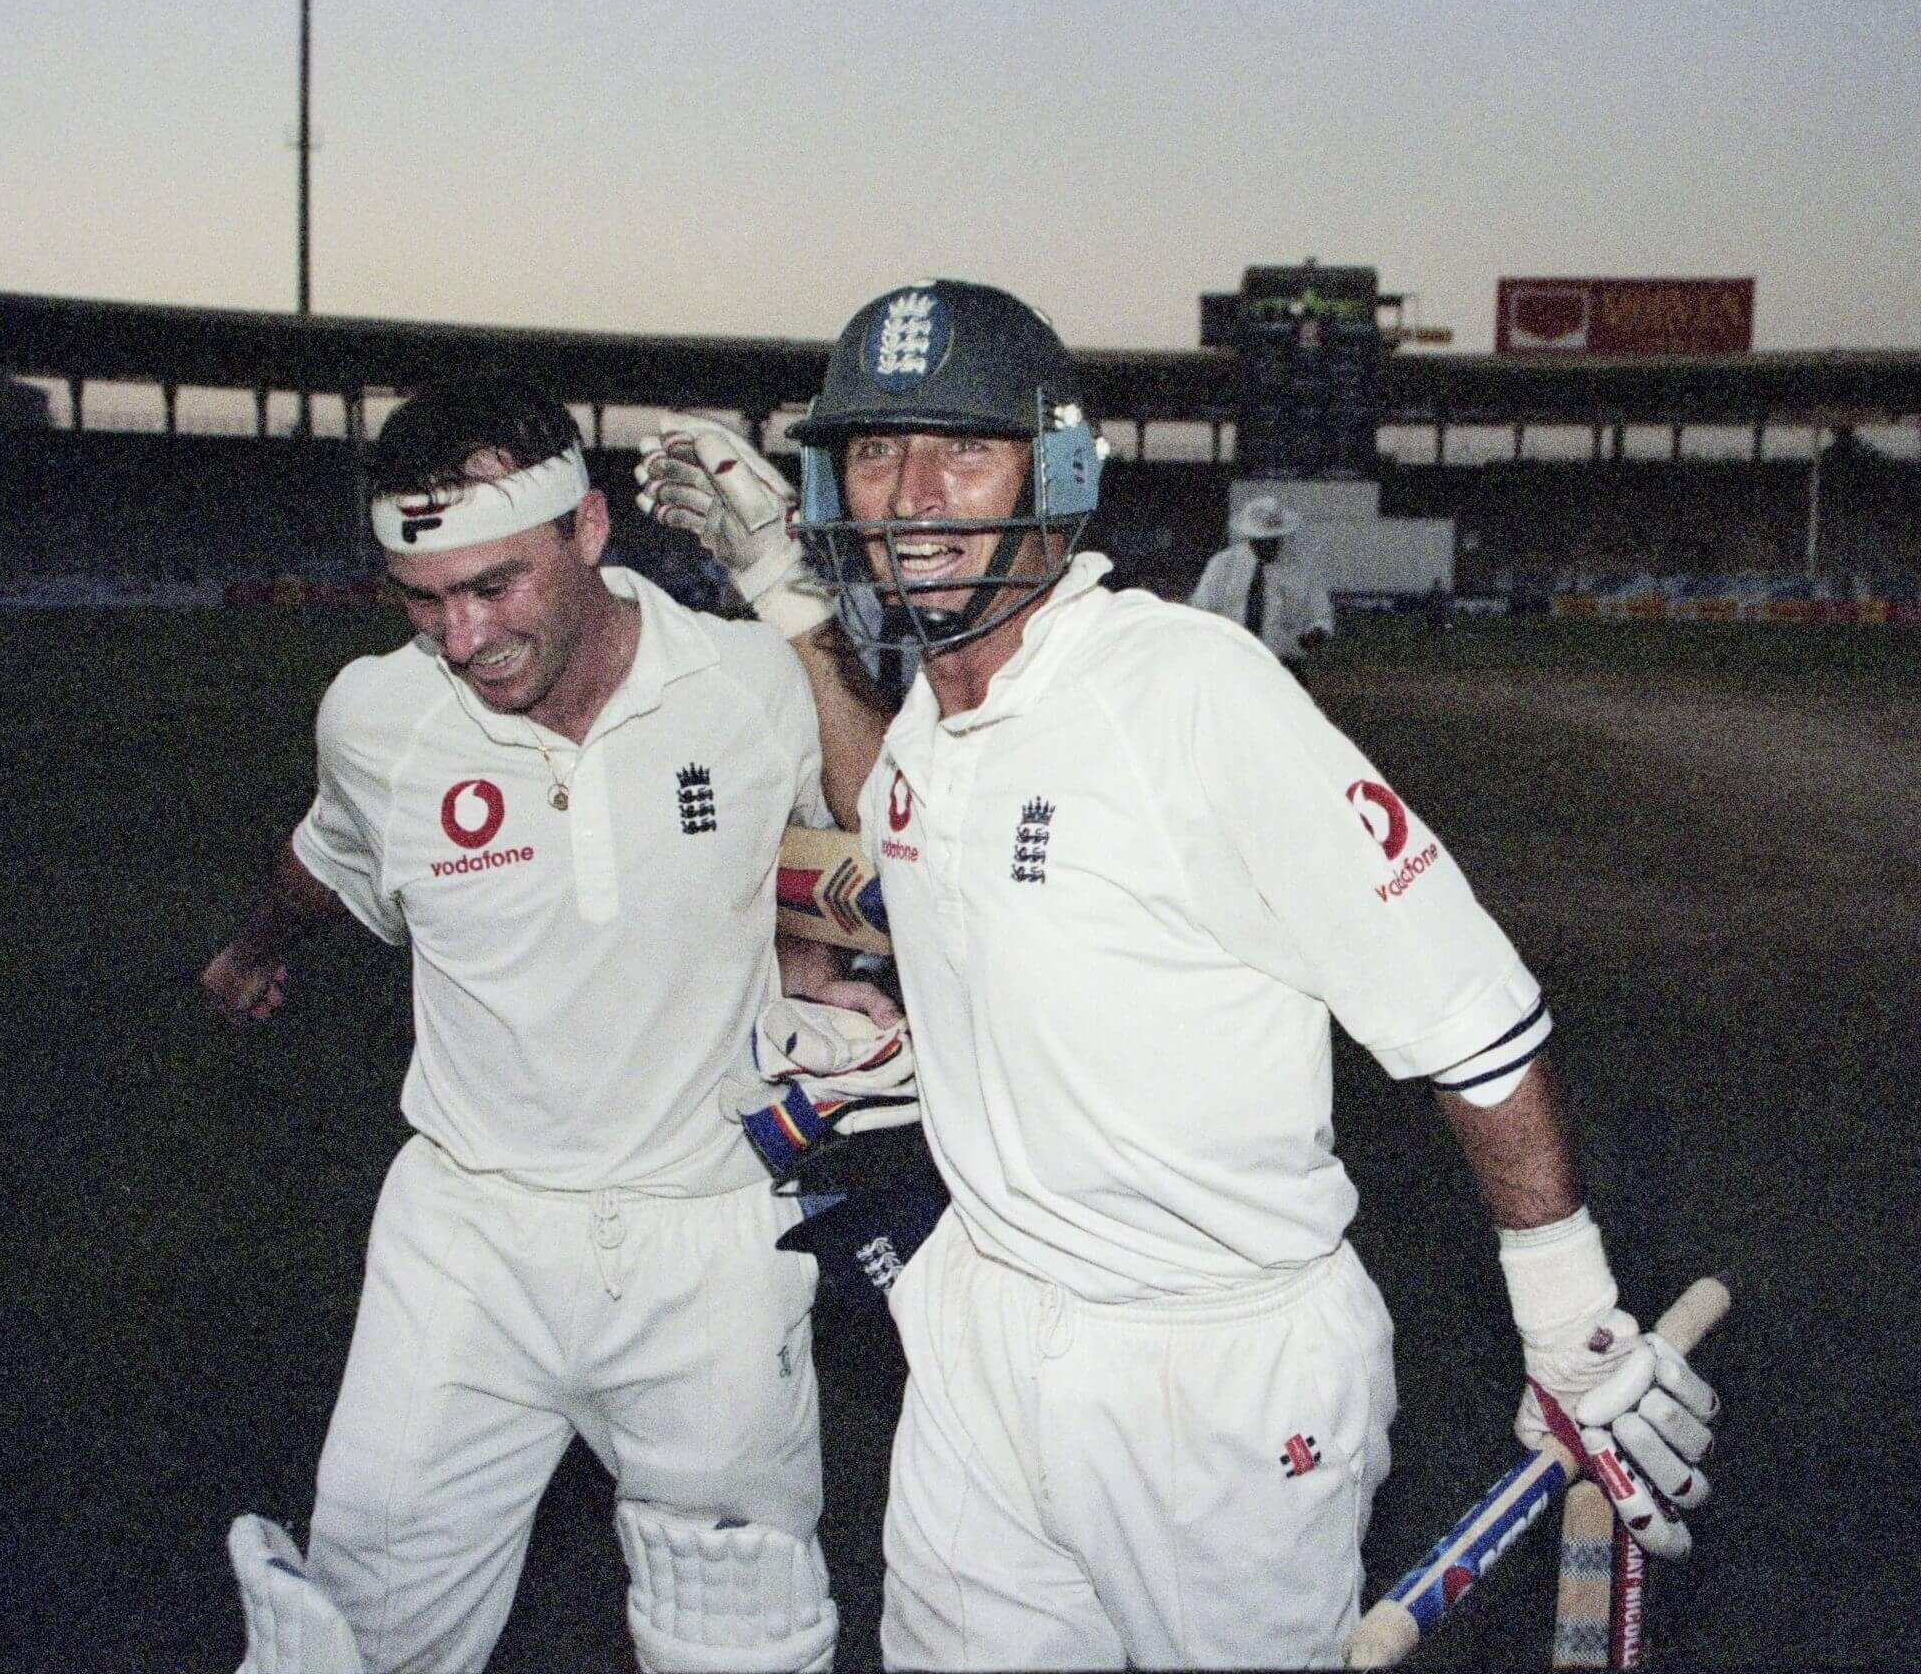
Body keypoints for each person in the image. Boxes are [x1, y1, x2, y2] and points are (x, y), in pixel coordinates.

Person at [646, 280, 1722, 1670]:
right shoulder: (927, 713)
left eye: (960, 451)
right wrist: (788, 604)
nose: (911, 495)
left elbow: (1469, 1011)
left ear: (1061, 469)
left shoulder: (1190, 693)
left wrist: (1569, 1317)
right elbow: (898, 843)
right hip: (982, 1332)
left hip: (1215, 1370)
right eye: (874, 453)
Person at [200, 374, 887, 1674]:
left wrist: (792, 598)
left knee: (744, 1643)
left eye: (495, 586)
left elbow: (886, 816)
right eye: (424, 597)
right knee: (354, 1639)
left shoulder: (739, 682)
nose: (461, 636)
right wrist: (253, 950)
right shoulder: (379, 718)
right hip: (466, 1239)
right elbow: (325, 856)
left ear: (586, 531)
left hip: (707, 1238)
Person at [1190, 490, 1336, 665]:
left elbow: (1322, 616)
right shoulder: (1223, 565)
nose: (1267, 546)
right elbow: (1200, 610)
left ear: (1282, 536)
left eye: (1272, 540)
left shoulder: (1303, 569)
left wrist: (1315, 635)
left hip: (1283, 663)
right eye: (1260, 541)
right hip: (1229, 660)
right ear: (1249, 537)